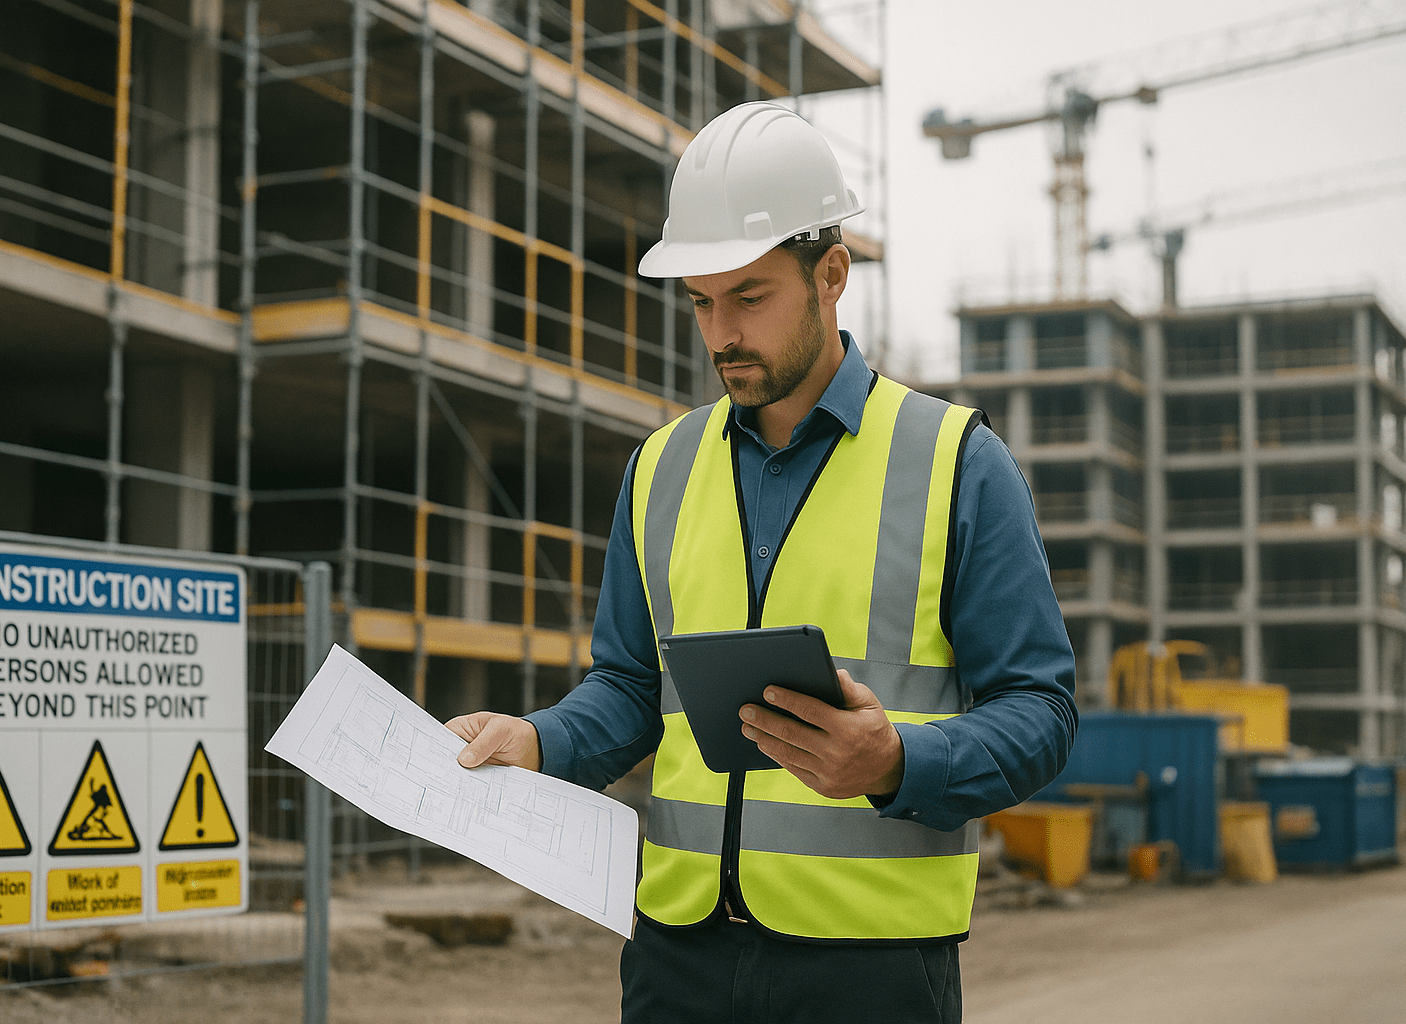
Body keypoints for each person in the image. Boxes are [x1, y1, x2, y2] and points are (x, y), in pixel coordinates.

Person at [447, 101, 1078, 1024]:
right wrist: (542, 740)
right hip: (678, 956)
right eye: (701, 302)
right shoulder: (660, 468)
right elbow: (630, 686)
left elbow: (1042, 711)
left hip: (870, 964)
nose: (720, 336)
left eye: (750, 297)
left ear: (831, 275)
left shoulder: (955, 463)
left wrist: (901, 760)